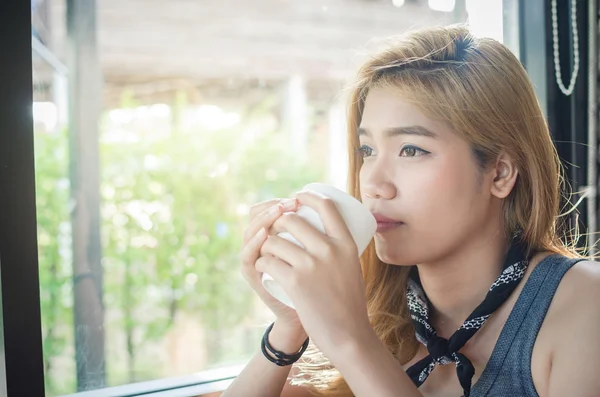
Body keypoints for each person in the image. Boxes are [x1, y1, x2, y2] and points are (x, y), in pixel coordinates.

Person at [222, 25, 600, 397]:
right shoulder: (371, 311)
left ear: (500, 172)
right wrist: (291, 325)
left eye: (411, 150)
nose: (373, 184)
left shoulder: (584, 306)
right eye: (367, 151)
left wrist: (352, 339)